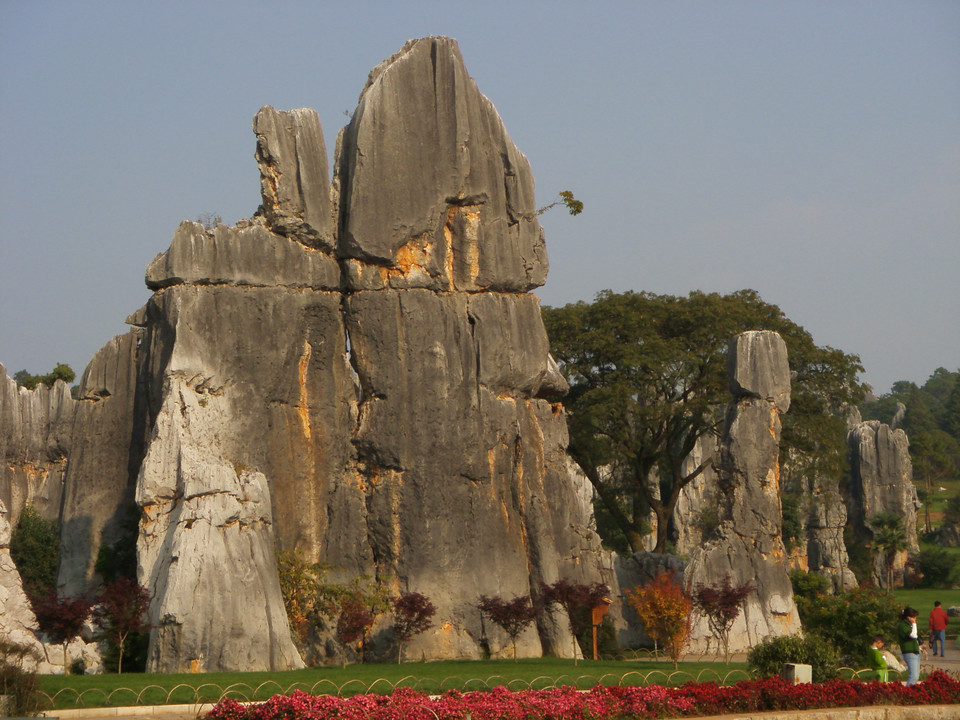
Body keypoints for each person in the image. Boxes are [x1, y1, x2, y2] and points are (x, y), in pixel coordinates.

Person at [897, 606, 926, 685]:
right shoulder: (903, 625)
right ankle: (907, 692)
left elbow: (915, 638)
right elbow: (912, 635)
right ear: (908, 617)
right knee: (913, 676)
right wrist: (914, 624)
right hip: (909, 653)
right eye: (913, 617)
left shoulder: (909, 625)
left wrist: (919, 648)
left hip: (915, 651)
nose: (915, 619)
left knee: (916, 676)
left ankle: (910, 691)